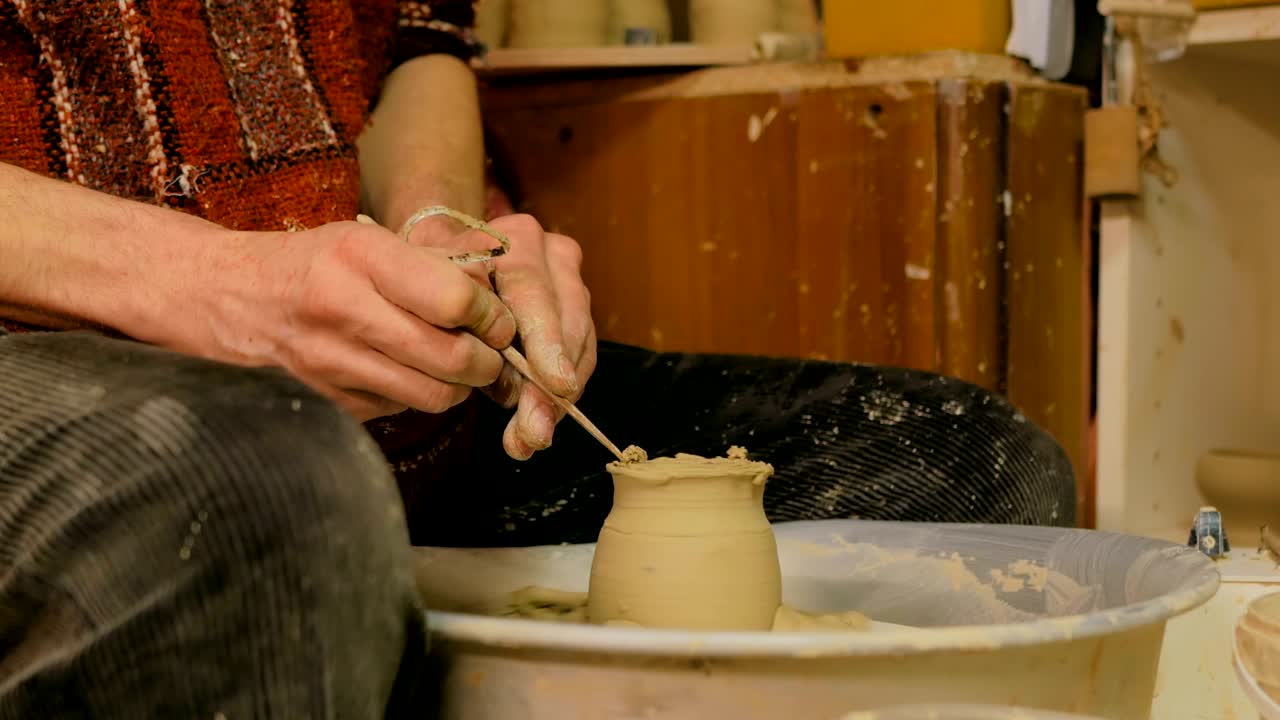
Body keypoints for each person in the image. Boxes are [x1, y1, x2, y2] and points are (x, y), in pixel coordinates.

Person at [0, 1, 1074, 717]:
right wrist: (192, 280)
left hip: (349, 370)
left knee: (971, 469)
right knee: (253, 494)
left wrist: (441, 228)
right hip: (60, 357)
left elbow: (414, 44)